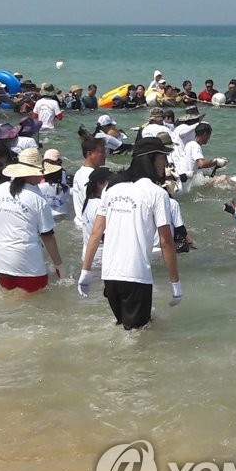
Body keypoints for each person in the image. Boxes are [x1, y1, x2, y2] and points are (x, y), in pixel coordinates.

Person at [78, 138, 182, 329]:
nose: (166, 163)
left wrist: (86, 271)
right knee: (138, 338)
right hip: (136, 276)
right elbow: (166, 241)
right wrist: (175, 283)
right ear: (151, 159)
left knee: (124, 328)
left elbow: (96, 232)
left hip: (109, 277)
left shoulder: (112, 188)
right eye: (163, 157)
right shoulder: (157, 193)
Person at [0, 148, 62, 293]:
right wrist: (59, 265)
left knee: (10, 300)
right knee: (35, 305)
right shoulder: (38, 199)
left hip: (0, 262)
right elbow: (48, 237)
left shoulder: (0, 189)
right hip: (28, 264)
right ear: (34, 173)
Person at [177, 123, 228, 194]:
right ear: (205, 134)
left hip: (180, 181)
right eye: (209, 136)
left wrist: (211, 166)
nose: (209, 138)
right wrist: (217, 162)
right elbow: (202, 164)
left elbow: (193, 165)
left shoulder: (189, 144)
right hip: (185, 185)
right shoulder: (196, 146)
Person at [71, 137, 107, 229]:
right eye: (101, 152)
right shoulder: (92, 177)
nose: (105, 155)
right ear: (89, 154)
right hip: (89, 226)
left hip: (80, 223)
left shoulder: (79, 172)